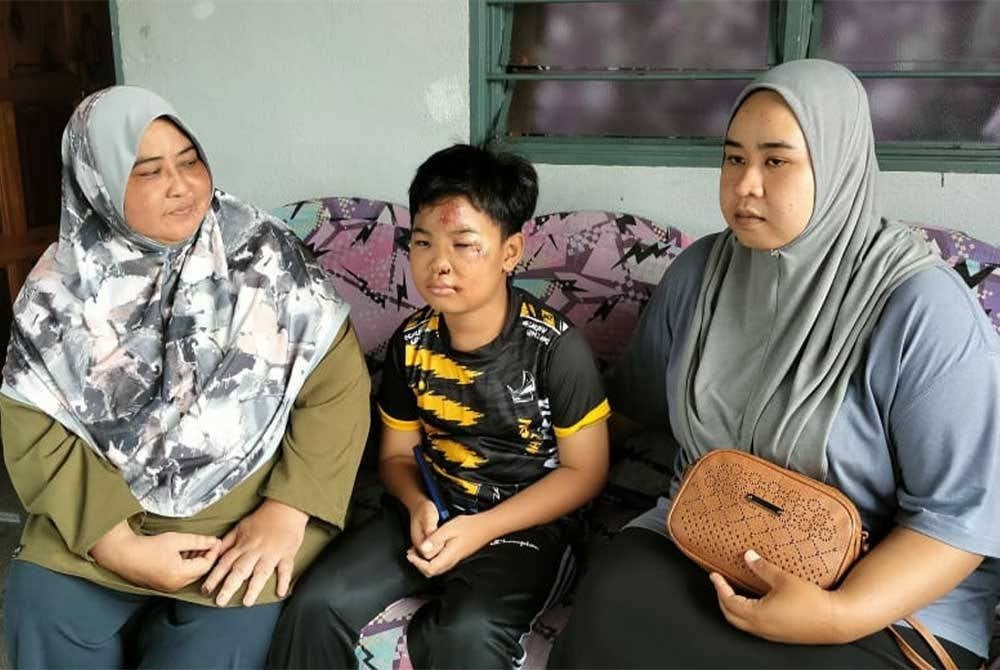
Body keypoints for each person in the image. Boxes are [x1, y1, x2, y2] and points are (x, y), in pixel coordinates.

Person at [549, 59, 1000, 668]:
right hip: (706, 537)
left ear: (837, 165)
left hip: (883, 595)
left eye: (776, 160)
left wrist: (839, 615)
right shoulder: (701, 274)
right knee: (609, 610)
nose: (745, 185)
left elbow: (958, 517)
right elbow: (627, 410)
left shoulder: (920, 307)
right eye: (734, 158)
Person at [1, 86, 371, 668]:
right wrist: (117, 544)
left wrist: (287, 512)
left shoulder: (265, 257)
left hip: (241, 525)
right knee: (42, 612)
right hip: (97, 524)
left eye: (189, 160)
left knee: (213, 648)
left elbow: (337, 390)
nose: (182, 185)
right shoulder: (57, 293)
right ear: (97, 183)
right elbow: (35, 426)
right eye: (149, 171)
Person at [267, 144, 611, 669]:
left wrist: (481, 528)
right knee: (318, 603)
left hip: (527, 527)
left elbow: (585, 473)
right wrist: (417, 505)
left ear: (510, 252)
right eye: (423, 242)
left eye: (464, 245)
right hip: (431, 508)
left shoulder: (556, 350)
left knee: (463, 633)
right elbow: (397, 457)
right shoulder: (413, 343)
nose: (439, 264)